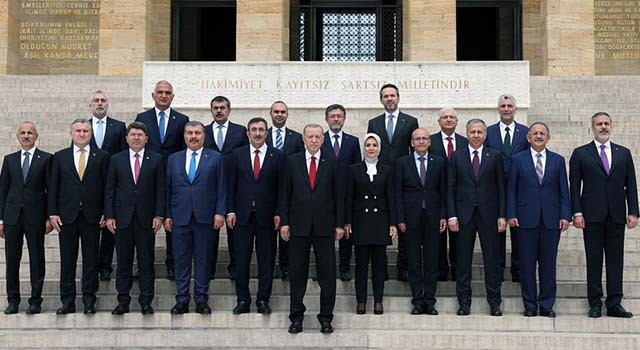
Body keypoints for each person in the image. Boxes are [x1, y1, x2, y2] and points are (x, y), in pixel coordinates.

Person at [570, 112, 638, 318]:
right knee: (593, 260)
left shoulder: (623, 153)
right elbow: (574, 187)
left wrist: (633, 211)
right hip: (591, 216)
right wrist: (577, 212)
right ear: (592, 127)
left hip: (616, 215)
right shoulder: (581, 153)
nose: (603, 127)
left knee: (615, 261)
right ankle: (595, 303)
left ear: (612, 126)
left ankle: (615, 303)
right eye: (599, 124)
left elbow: (631, 185)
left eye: (606, 123)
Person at [280, 123, 344, 334]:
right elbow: (285, 194)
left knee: (327, 275)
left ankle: (326, 317)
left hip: (325, 228)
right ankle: (296, 317)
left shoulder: (332, 162)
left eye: (318, 137)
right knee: (297, 274)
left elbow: (339, 197)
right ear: (304, 139)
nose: (314, 140)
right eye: (310, 137)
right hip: (298, 227)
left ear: (323, 139)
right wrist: (285, 222)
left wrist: (339, 224)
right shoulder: (292, 162)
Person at [507, 122, 571, 317]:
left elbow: (563, 190)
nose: (538, 136)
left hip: (551, 220)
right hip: (525, 220)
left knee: (548, 265)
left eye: (542, 133)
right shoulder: (517, 160)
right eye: (535, 133)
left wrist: (565, 215)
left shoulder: (558, 160)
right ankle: (530, 305)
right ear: (528, 137)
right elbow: (511, 189)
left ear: (548, 138)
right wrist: (511, 213)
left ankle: (546, 305)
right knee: (526, 265)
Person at [48, 118, 110, 315]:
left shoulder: (101, 156)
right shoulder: (60, 156)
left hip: (92, 216)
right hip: (67, 217)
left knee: (91, 261)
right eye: (78, 131)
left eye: (85, 131)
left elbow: (108, 187)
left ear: (91, 134)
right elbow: (53, 187)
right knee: (68, 260)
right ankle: (67, 301)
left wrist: (107, 212)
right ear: (71, 133)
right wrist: (52, 213)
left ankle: (89, 301)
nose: (82, 134)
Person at [165, 121, 226, 314]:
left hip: (205, 217)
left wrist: (220, 212)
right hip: (179, 217)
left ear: (204, 135)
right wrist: (167, 214)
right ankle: (182, 299)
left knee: (203, 260)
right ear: (184, 136)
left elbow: (222, 187)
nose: (193, 136)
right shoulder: (173, 159)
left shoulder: (216, 158)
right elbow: (167, 189)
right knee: (181, 260)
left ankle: (201, 299)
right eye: (190, 133)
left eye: (197, 133)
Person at [104, 122, 165, 315]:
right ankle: (123, 301)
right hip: (122, 219)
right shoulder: (116, 159)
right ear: (127, 138)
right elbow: (110, 189)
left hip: (147, 219)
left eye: (140, 134)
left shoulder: (156, 159)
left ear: (147, 138)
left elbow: (160, 189)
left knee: (146, 262)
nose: (136, 138)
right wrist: (109, 215)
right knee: (123, 262)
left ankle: (146, 301)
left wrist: (159, 215)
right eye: (133, 134)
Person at [226, 117, 284, 315]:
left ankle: (262, 300)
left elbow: (282, 189)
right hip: (242, 216)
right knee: (241, 260)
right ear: (248, 133)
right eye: (254, 129)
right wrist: (230, 210)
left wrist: (279, 213)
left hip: (267, 217)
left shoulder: (278, 156)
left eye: (261, 130)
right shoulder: (236, 155)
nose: (258, 133)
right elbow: (230, 186)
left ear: (267, 133)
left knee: (266, 260)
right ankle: (243, 300)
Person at [448, 119, 506, 317]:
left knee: (491, 260)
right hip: (464, 216)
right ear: (467, 133)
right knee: (463, 262)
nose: (476, 135)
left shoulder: (495, 156)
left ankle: (495, 303)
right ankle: (464, 303)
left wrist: (502, 215)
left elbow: (501, 188)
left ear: (485, 134)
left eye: (480, 132)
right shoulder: (457, 156)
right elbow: (451, 188)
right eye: (472, 132)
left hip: (489, 215)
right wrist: (452, 215)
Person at [135, 80, 189, 281]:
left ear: (172, 96)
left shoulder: (182, 119)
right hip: (148, 179)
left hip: (174, 179)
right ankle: (143, 266)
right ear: (153, 95)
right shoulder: (142, 118)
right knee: (146, 225)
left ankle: (172, 264)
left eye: (167, 93)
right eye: (160, 92)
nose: (164, 95)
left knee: (171, 224)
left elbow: (185, 151)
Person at [367, 83, 418, 282]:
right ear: (381, 100)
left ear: (398, 98)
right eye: (386, 96)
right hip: (381, 178)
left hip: (404, 178)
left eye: (392, 95)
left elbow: (414, 149)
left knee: (403, 224)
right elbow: (372, 148)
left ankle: (403, 267)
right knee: (381, 223)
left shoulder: (410, 121)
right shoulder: (374, 122)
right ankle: (381, 269)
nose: (389, 99)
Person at [0, 122, 52, 315]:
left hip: (36, 216)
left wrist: (49, 216)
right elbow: (3, 190)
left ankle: (35, 301)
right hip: (12, 216)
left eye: (30, 133)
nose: (26, 136)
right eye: (23, 133)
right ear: (17, 137)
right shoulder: (10, 160)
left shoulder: (46, 159)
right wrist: (1, 219)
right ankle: (13, 300)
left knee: (37, 259)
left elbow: (50, 190)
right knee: (12, 260)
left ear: (36, 136)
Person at [395, 128, 447, 315]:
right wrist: (400, 218)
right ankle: (417, 300)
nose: (421, 141)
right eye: (417, 139)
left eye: (425, 138)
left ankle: (430, 301)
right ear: (412, 143)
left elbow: (444, 192)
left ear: (430, 142)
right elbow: (398, 194)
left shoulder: (439, 162)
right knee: (414, 261)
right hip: (410, 219)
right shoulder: (402, 163)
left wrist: (443, 215)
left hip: (433, 218)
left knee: (432, 261)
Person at [344, 133, 397, 315]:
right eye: (368, 145)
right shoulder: (353, 170)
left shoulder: (387, 170)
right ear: (363, 148)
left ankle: (378, 300)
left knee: (379, 265)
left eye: (374, 145)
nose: (371, 148)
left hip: (381, 222)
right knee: (360, 265)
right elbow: (349, 197)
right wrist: (347, 222)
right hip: (360, 222)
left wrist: (393, 223)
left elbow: (391, 198)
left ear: (379, 148)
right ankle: (361, 301)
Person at [204, 95, 249, 280]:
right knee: (210, 234)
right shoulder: (203, 131)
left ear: (229, 110)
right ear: (211, 110)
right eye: (216, 107)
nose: (219, 110)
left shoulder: (240, 131)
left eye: (223, 107)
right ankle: (209, 269)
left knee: (234, 232)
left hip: (234, 188)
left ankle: (235, 268)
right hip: (209, 188)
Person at [485, 94, 529, 282]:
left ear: (515, 109)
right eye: (503, 105)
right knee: (498, 232)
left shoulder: (525, 132)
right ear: (498, 109)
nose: (506, 109)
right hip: (495, 190)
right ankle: (499, 269)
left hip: (520, 190)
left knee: (519, 232)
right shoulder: (489, 132)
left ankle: (518, 270)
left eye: (510, 105)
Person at [86, 90, 128, 282]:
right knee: (92, 227)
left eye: (103, 100)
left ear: (107, 104)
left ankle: (105, 266)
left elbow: (123, 155)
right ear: (90, 105)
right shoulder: (82, 127)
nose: (100, 103)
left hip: (112, 183)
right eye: (96, 101)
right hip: (90, 184)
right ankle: (91, 265)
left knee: (109, 226)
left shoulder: (119, 127)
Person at [321, 104, 361, 281]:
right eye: (332, 116)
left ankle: (344, 267)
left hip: (345, 195)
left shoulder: (352, 141)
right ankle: (323, 268)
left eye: (339, 116)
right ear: (326, 119)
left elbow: (356, 168)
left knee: (346, 232)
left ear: (344, 118)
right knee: (322, 233)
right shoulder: (318, 139)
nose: (336, 119)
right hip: (323, 194)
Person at [266, 101, 304, 281]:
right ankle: (268, 266)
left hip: (288, 191)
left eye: (283, 112)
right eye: (276, 112)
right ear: (270, 114)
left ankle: (285, 267)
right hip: (266, 191)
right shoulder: (262, 135)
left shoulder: (296, 138)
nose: (279, 114)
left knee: (286, 231)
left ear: (287, 114)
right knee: (267, 232)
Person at [429, 107, 468, 281]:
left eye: (452, 117)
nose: (449, 120)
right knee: (437, 237)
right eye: (445, 117)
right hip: (435, 196)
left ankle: (456, 270)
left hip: (459, 197)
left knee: (458, 238)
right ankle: (440, 271)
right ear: (439, 121)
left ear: (457, 121)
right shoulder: (430, 141)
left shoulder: (465, 141)